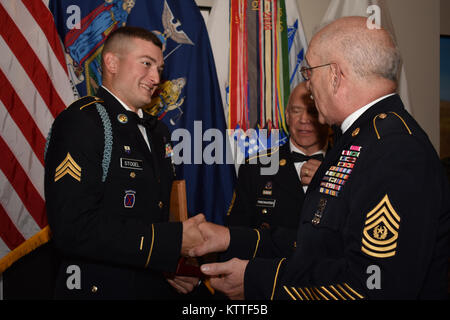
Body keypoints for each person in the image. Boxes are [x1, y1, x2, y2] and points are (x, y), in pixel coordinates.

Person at [192, 16, 450, 300]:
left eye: (308, 72)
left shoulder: (395, 150)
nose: (309, 87)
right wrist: (231, 237)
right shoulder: (358, 139)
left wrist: (259, 280)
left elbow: (374, 286)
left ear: (335, 75)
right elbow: (320, 243)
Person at [44, 26, 204, 299]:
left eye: (160, 68)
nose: (156, 78)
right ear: (112, 62)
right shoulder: (83, 122)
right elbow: (72, 229)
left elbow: (156, 213)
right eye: (146, 63)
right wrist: (170, 241)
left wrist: (174, 266)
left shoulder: (158, 132)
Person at [226, 82, 329, 233]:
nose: (304, 119)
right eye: (296, 111)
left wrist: (328, 179)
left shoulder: (350, 165)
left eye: (312, 111)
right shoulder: (255, 167)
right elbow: (236, 235)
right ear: (287, 116)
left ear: (326, 115)